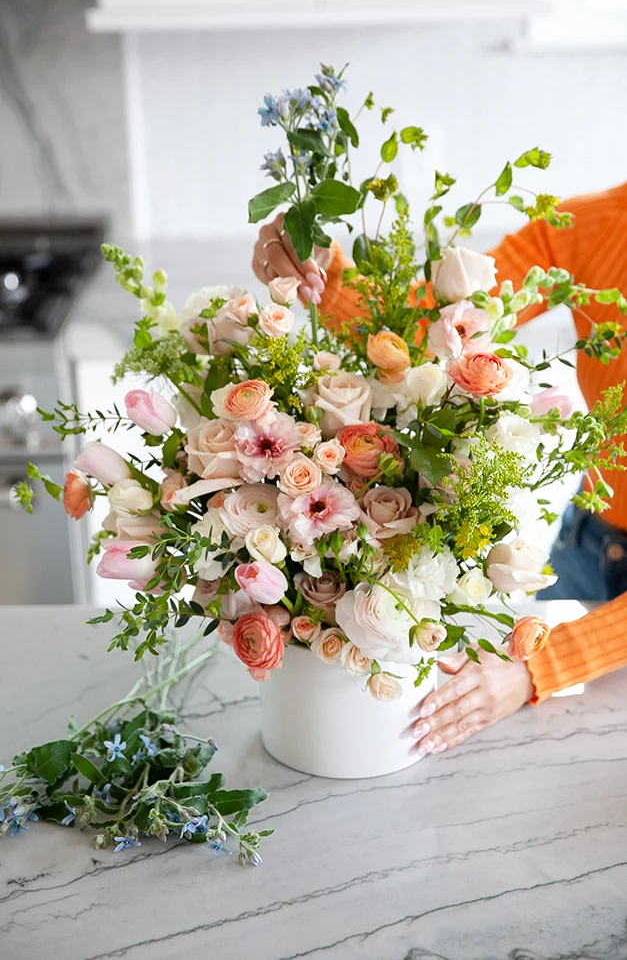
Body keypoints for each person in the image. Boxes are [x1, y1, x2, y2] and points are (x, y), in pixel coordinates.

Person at [252, 182, 627, 754]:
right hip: (587, 543)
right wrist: (320, 268)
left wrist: (536, 669)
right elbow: (433, 332)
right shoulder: (594, 225)